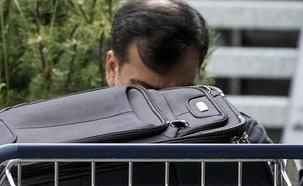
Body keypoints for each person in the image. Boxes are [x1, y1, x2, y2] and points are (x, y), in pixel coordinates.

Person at [104, 0, 270, 143]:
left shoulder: (243, 137)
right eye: (143, 93)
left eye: (180, 93)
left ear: (199, 72)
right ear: (112, 69)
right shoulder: (79, 137)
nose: (163, 114)